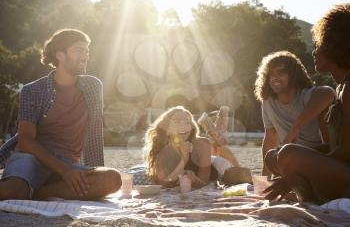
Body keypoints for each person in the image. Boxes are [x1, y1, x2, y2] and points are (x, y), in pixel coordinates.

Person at [0, 29, 121, 200]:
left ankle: (36, 192)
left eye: (87, 51)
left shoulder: (93, 86)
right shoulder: (32, 90)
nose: (85, 56)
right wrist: (66, 172)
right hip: (33, 159)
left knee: (112, 180)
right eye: (79, 50)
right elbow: (26, 141)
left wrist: (94, 174)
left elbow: (94, 135)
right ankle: (28, 189)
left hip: (69, 164)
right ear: (60, 55)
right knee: (13, 191)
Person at [263, 4, 350, 204]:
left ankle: (310, 202)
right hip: (343, 170)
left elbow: (346, 152)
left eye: (319, 45)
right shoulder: (342, 87)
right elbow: (335, 147)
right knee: (273, 156)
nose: (314, 51)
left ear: (337, 46)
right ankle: (311, 197)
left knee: (288, 154)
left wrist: (295, 165)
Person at [255, 51, 335, 177]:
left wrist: (296, 126)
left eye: (281, 72)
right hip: (289, 159)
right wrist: (265, 175)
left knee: (286, 152)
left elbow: (328, 93)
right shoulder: (268, 101)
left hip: (317, 156)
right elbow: (270, 137)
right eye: (271, 74)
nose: (274, 77)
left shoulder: (305, 95)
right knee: (272, 156)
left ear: (293, 75)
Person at [145, 106, 218, 189]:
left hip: (217, 166)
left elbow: (204, 183)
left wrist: (194, 180)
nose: (183, 126)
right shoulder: (161, 148)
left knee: (229, 171)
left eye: (187, 122)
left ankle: (215, 133)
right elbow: (164, 183)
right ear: (167, 129)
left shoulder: (202, 144)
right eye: (177, 122)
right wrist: (184, 159)